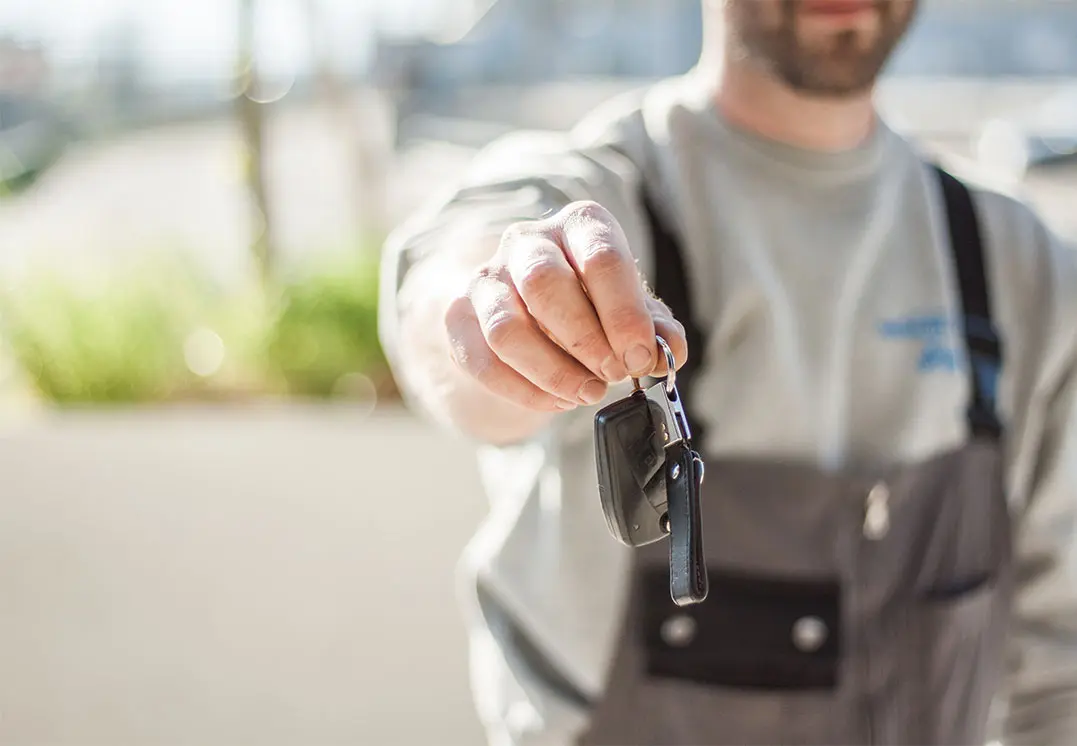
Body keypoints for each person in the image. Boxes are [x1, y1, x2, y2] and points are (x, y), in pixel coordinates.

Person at [377, 1, 1077, 744]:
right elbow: (454, 292)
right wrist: (506, 313)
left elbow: (1057, 670)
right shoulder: (604, 191)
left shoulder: (1020, 265)